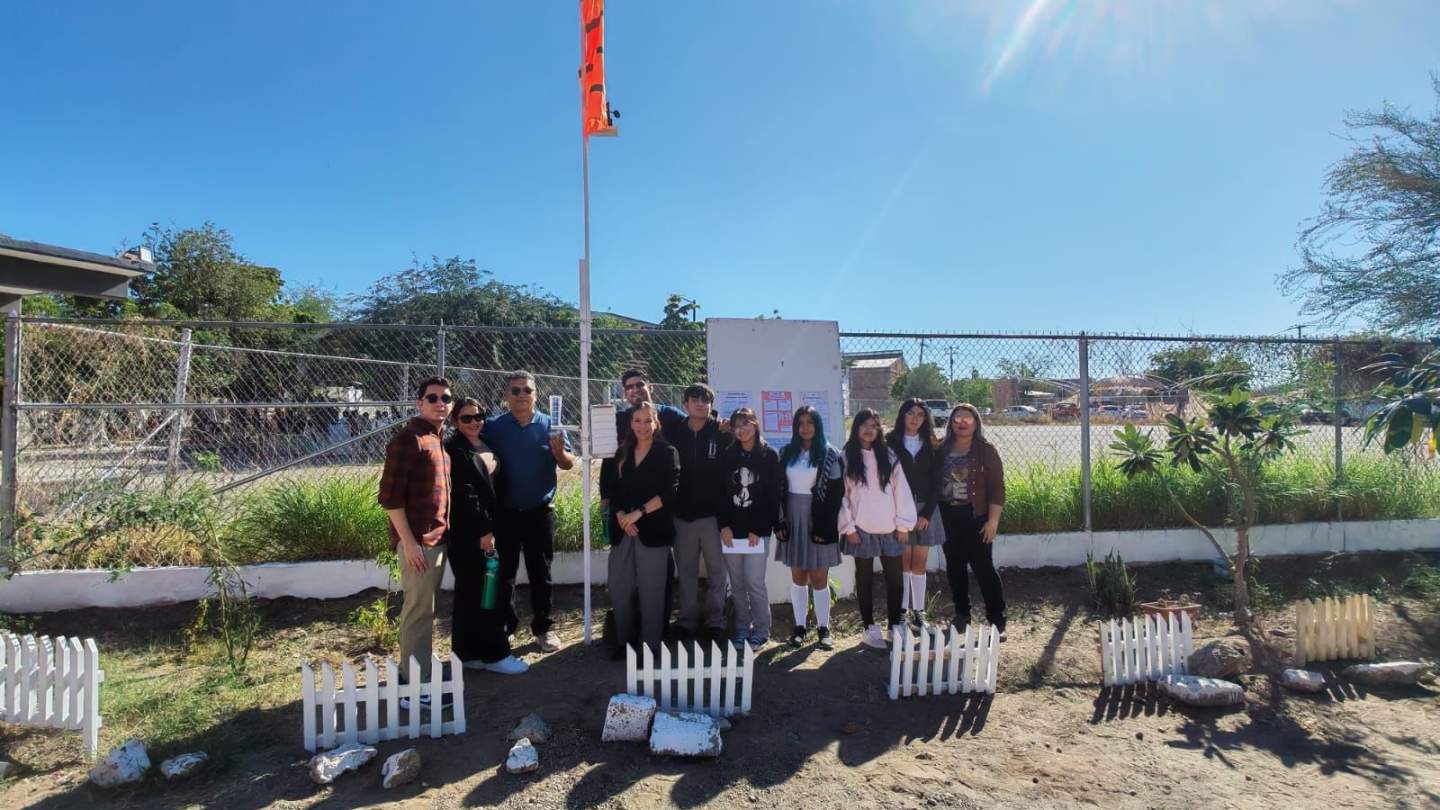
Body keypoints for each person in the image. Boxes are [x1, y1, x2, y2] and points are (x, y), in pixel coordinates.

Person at [482, 371, 576, 653]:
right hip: (505, 513)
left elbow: (568, 463)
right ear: (506, 396)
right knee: (505, 574)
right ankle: (506, 628)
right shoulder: (493, 427)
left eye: (527, 390)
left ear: (536, 394)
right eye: (516, 390)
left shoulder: (551, 424)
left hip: (539, 512)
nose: (522, 395)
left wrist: (559, 452)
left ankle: (543, 629)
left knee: (541, 572)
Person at [377, 376, 453, 709]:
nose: (441, 403)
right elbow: (390, 498)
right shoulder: (409, 440)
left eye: (446, 398)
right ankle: (414, 688)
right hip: (419, 543)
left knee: (426, 608)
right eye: (432, 397)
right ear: (419, 403)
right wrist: (408, 543)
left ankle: (417, 668)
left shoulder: (436, 439)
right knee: (418, 610)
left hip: (436, 538)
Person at [444, 398, 528, 675]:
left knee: (477, 593)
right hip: (472, 534)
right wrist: (484, 531)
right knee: (484, 593)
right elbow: (464, 496)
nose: (475, 422)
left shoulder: (482, 443)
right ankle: (495, 655)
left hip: (492, 529)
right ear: (455, 421)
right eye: (467, 418)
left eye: (479, 416)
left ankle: (468, 653)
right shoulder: (455, 450)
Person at [840, 408, 918, 650]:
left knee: (895, 579)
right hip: (861, 529)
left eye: (874, 425)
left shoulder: (889, 455)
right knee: (864, 579)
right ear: (856, 428)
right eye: (864, 424)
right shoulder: (846, 456)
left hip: (890, 529)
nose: (869, 429)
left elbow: (901, 490)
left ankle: (895, 625)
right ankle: (869, 628)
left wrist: (904, 524)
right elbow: (841, 496)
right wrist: (848, 527)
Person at [607, 402, 681, 654]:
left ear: (655, 422)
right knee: (619, 588)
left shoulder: (667, 451)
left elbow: (670, 491)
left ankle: (649, 647)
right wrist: (621, 517)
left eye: (647, 420)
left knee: (652, 593)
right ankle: (624, 641)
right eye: (637, 420)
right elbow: (613, 489)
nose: (642, 426)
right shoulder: (622, 452)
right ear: (630, 423)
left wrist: (638, 513)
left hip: (653, 530)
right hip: (623, 530)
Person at [664, 383, 732, 643]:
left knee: (717, 571)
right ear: (686, 405)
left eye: (706, 399)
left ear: (711, 405)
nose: (701, 403)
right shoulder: (674, 431)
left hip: (713, 517)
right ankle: (688, 622)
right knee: (688, 571)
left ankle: (715, 622)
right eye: (695, 399)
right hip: (682, 516)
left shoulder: (721, 432)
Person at [775, 405, 845, 650]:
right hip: (793, 516)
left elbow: (836, 495)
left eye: (810, 422)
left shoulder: (830, 454)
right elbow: (778, 490)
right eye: (800, 423)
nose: (805, 428)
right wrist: (780, 521)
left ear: (818, 425)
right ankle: (799, 627)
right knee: (798, 576)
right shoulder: (786, 452)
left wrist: (825, 527)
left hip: (820, 518)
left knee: (818, 577)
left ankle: (824, 629)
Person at [937, 403, 1009, 640]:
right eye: (958, 417)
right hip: (948, 517)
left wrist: (993, 521)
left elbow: (997, 489)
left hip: (976, 516)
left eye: (968, 418)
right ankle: (962, 615)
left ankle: (997, 620)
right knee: (954, 567)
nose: (962, 422)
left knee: (983, 568)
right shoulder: (941, 448)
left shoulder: (986, 450)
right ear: (951, 423)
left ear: (976, 423)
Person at [716, 407, 783, 649]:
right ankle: (742, 629)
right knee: (737, 583)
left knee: (754, 582)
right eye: (737, 425)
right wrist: (723, 525)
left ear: (755, 424)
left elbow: (773, 497)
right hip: (731, 533)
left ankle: (762, 631)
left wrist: (759, 527)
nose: (741, 429)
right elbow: (721, 495)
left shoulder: (769, 456)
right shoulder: (727, 455)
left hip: (757, 533)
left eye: (746, 423)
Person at [889, 398, 943, 628]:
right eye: (910, 413)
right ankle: (900, 613)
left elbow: (937, 483)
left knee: (919, 563)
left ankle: (919, 613)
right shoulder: (890, 442)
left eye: (920, 414)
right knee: (903, 563)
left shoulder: (933, 444)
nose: (915, 418)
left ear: (925, 419)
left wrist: (927, 514)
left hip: (925, 510)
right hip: (899, 510)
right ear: (902, 415)